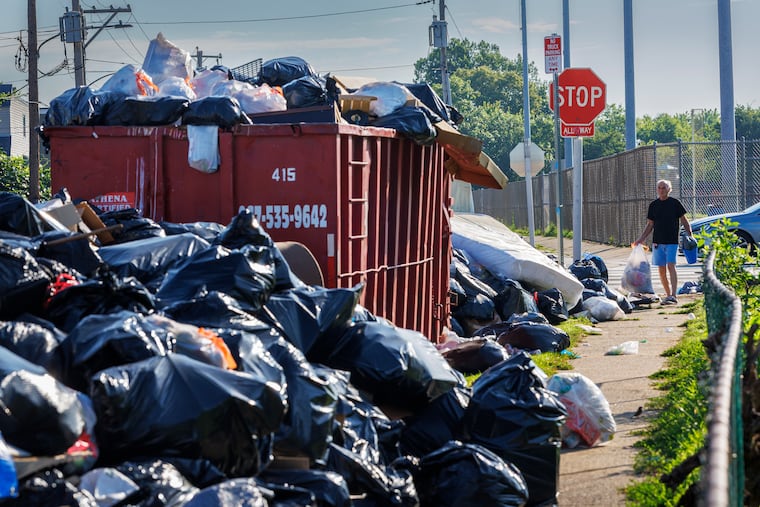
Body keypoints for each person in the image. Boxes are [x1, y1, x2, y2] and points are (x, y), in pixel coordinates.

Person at [634, 179, 693, 305]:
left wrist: (690, 234)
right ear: (657, 189)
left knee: (671, 265)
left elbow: (684, 219)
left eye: (664, 188)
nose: (661, 190)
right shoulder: (653, 205)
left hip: (672, 241)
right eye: (659, 187)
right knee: (661, 269)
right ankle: (667, 295)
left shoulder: (675, 203)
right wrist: (641, 239)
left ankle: (673, 295)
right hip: (657, 242)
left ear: (669, 189)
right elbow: (650, 225)